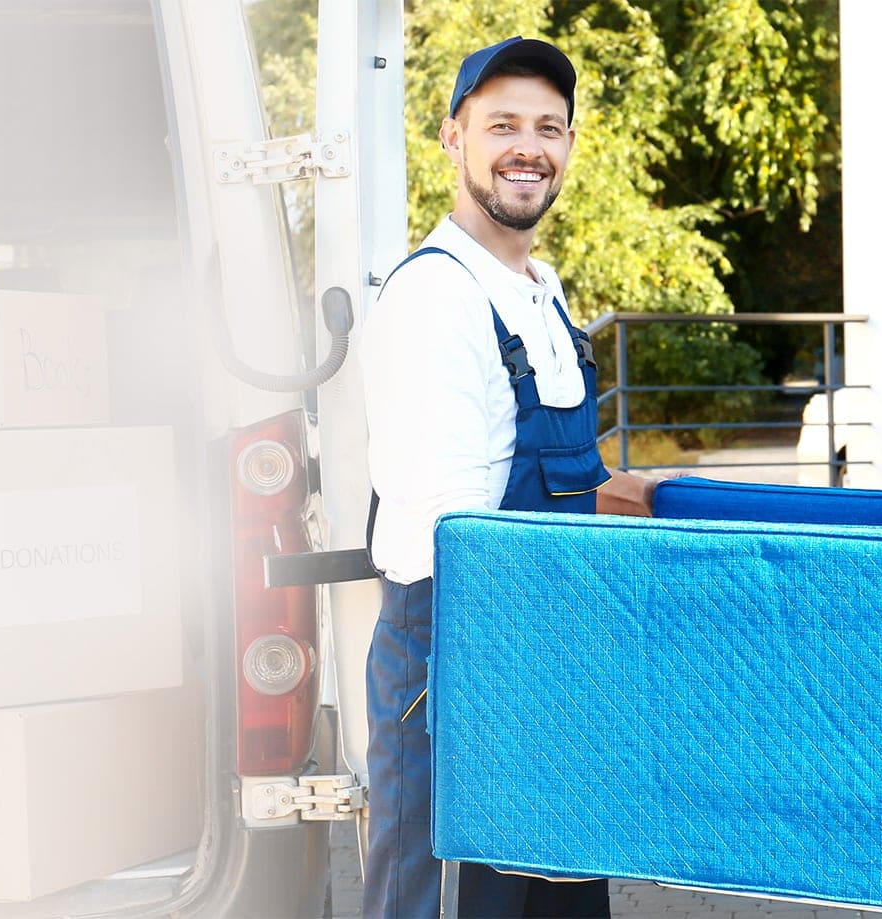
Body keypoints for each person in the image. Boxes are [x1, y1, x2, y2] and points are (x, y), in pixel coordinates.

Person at [358, 36, 655, 919]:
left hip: (548, 638)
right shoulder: (435, 298)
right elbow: (460, 530)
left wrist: (639, 499)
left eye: (549, 127)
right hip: (458, 647)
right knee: (441, 893)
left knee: (557, 897)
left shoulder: (542, 289)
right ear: (453, 139)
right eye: (502, 125)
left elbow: (551, 473)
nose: (529, 146)